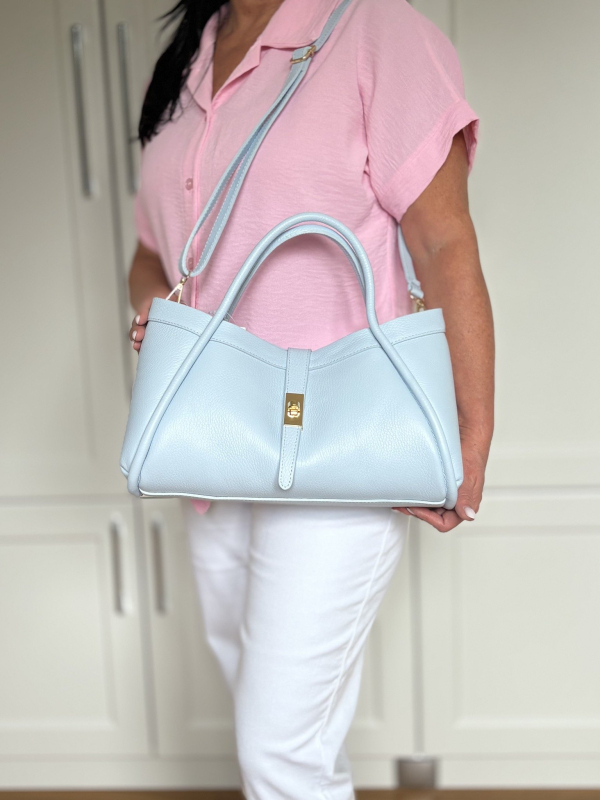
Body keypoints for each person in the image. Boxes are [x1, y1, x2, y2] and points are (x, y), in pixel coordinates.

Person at [128, 0, 494, 796]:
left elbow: (444, 240)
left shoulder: (373, 30)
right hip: (211, 454)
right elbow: (152, 254)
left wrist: (468, 439)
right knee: (285, 738)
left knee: (279, 750)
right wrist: (157, 314)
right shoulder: (190, 61)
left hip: (344, 448)